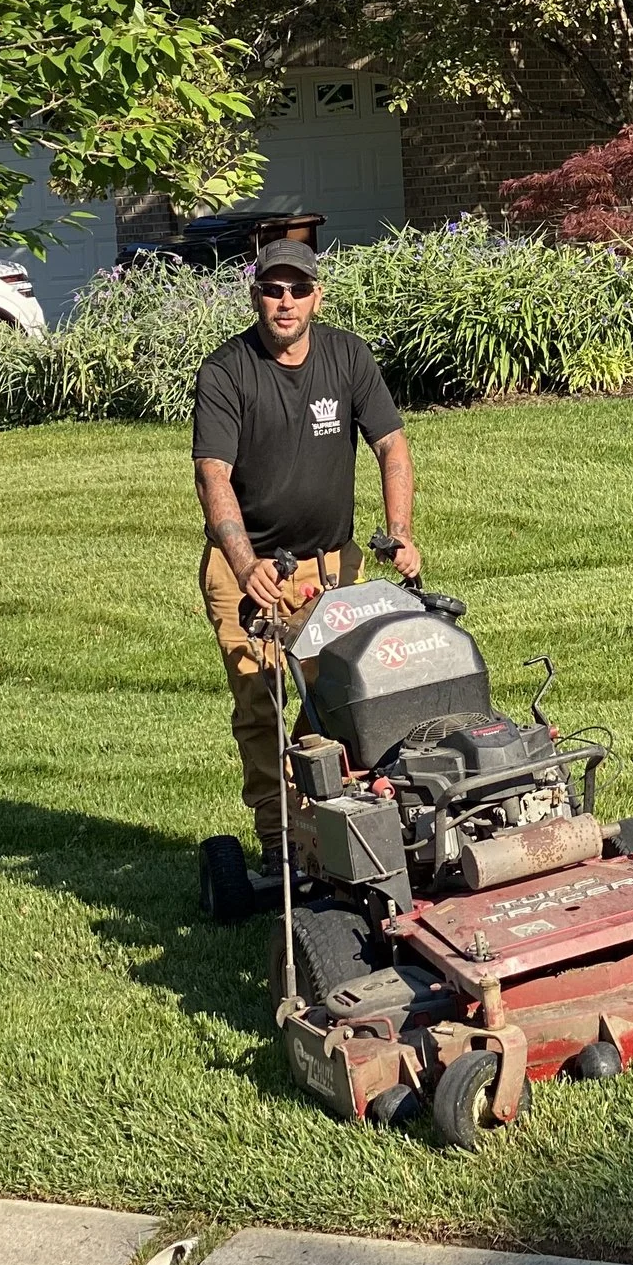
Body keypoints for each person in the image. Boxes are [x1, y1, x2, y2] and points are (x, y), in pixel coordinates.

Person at [192, 238, 418, 872]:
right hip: (249, 569)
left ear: (317, 296)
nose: (285, 301)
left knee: (341, 695)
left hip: (331, 566)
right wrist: (246, 566)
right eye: (272, 289)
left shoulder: (347, 356)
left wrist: (399, 530)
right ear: (255, 296)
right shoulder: (226, 372)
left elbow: (392, 446)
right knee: (260, 703)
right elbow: (213, 476)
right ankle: (277, 840)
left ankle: (334, 824)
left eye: (297, 289)